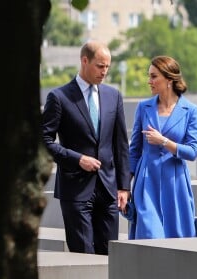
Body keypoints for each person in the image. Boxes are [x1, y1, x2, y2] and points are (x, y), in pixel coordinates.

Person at [42, 41, 131, 255]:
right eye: (100, 66)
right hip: (75, 192)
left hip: (109, 191)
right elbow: (43, 140)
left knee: (109, 257)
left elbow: (121, 145)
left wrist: (124, 187)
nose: (105, 72)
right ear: (84, 61)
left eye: (108, 67)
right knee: (83, 257)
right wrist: (77, 159)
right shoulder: (59, 97)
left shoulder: (113, 96)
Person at [128, 55, 197, 239]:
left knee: (176, 239)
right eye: (149, 76)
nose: (149, 81)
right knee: (149, 235)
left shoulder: (191, 111)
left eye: (154, 76)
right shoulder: (143, 107)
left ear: (169, 79)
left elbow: (193, 152)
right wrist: (123, 186)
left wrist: (164, 141)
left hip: (175, 182)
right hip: (146, 181)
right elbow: (134, 149)